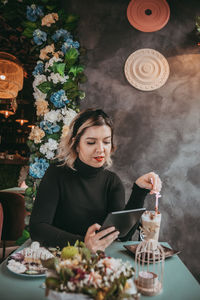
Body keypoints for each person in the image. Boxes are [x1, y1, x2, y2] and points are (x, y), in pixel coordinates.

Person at [30, 108, 162, 253]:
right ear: (76, 144)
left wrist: (139, 191)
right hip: (58, 258)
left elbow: (122, 235)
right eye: (91, 142)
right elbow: (38, 228)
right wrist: (82, 244)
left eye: (106, 142)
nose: (100, 149)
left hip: (97, 263)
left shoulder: (112, 182)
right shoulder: (56, 173)